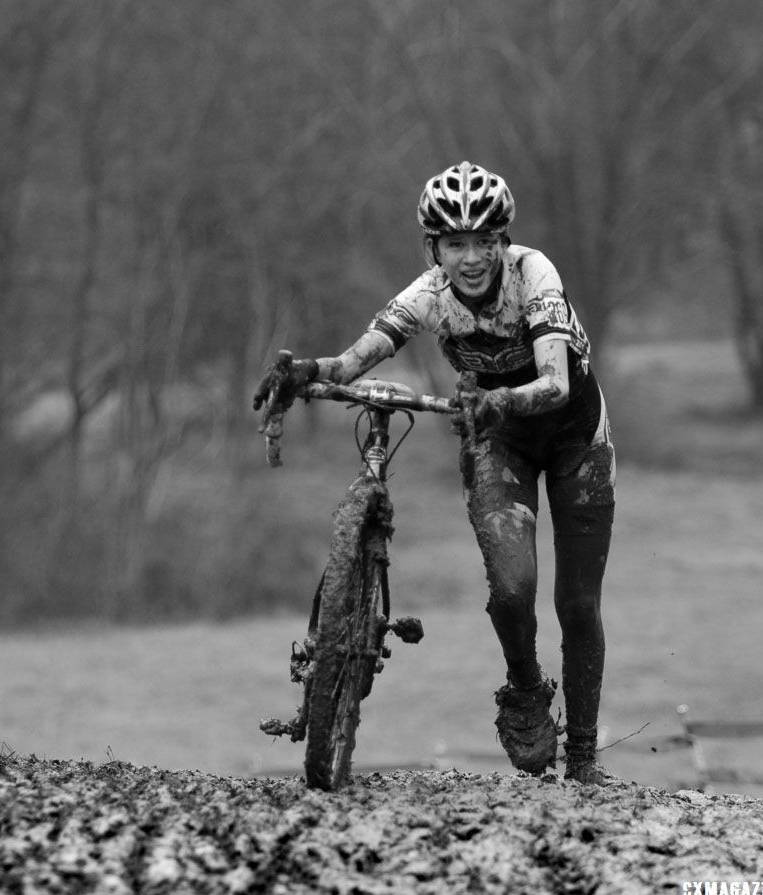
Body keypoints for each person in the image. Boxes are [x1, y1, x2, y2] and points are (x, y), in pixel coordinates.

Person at [253, 161, 616, 785]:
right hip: (499, 443)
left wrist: (499, 397)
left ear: (502, 241)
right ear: (435, 249)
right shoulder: (427, 297)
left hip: (576, 438)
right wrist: (302, 372)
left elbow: (555, 382)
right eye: (456, 244)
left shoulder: (535, 275)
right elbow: (352, 361)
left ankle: (582, 763)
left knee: (577, 604)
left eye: (484, 241)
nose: (471, 257)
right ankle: (526, 691)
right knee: (511, 590)